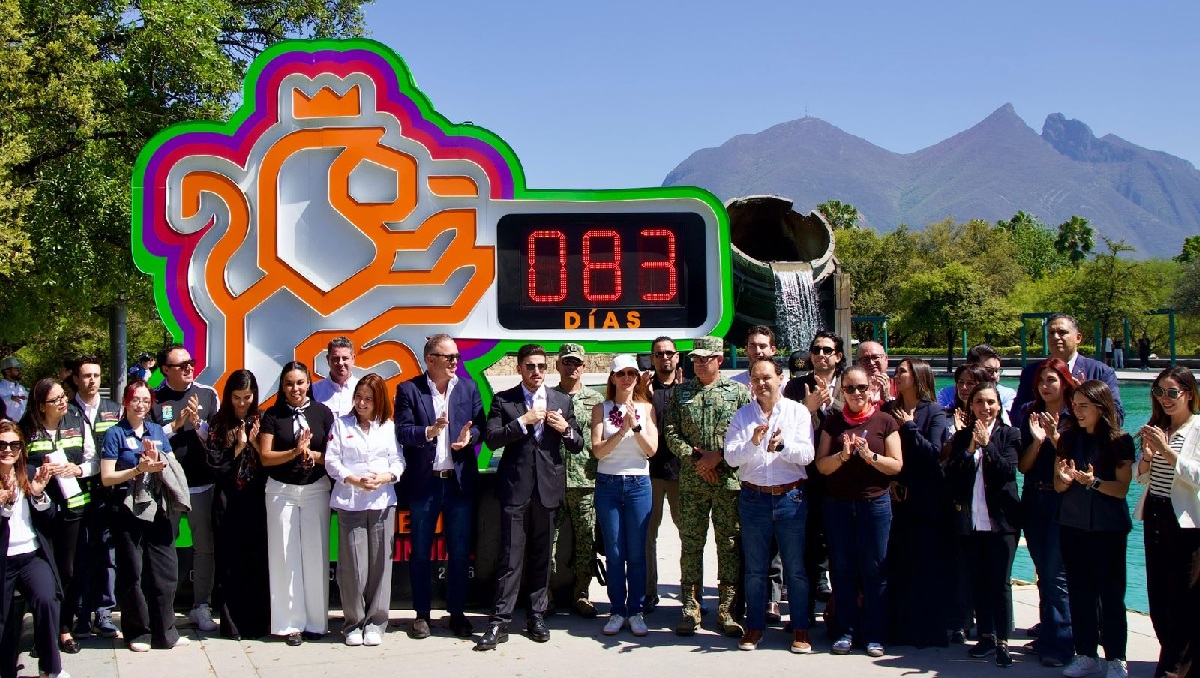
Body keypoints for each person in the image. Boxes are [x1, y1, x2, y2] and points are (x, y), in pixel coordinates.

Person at [477, 344, 583, 651]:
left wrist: (565, 430)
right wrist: (523, 421)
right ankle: (500, 621)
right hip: (516, 488)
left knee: (541, 557)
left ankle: (536, 616)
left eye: (540, 366)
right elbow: (491, 438)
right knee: (510, 557)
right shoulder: (504, 400)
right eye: (529, 366)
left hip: (548, 489)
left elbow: (577, 444)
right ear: (519, 369)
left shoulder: (561, 399)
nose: (535, 372)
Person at [394, 334, 484, 640]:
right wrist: (429, 432)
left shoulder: (468, 388)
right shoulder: (409, 390)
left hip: (458, 484)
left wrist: (471, 439)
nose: (456, 362)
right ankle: (421, 615)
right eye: (450, 357)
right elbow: (403, 431)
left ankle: (457, 614)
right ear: (431, 360)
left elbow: (481, 425)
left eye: (457, 356)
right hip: (424, 484)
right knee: (420, 552)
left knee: (459, 554)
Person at [725, 356, 815, 653]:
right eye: (756, 379)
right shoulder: (742, 416)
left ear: (781, 379)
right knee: (754, 568)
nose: (762, 383)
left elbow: (807, 455)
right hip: (754, 498)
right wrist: (753, 442)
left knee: (796, 568)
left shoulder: (798, 412)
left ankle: (800, 627)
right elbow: (731, 458)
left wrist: (783, 446)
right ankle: (754, 628)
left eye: (767, 377)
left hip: (791, 498)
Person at [663, 335, 750, 638]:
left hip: (728, 482)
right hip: (692, 481)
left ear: (719, 360)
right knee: (691, 543)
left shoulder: (739, 393)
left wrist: (720, 459)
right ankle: (690, 606)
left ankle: (726, 609)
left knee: (727, 544)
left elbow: (748, 435)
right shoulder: (681, 392)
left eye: (706, 358)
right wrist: (697, 459)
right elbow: (671, 432)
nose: (699, 363)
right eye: (696, 358)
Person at [814, 364, 902, 658]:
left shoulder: (885, 421)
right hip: (838, 504)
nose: (856, 393)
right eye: (849, 388)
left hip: (874, 504)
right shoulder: (833, 423)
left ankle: (875, 634)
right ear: (842, 391)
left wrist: (870, 456)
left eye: (861, 388)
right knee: (842, 569)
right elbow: (821, 466)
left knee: (875, 570)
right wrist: (843, 455)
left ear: (871, 389)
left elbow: (896, 465)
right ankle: (844, 631)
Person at [101, 381, 191, 652]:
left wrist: (158, 462)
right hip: (127, 509)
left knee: (166, 570)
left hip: (157, 508)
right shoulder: (115, 434)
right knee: (133, 572)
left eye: (145, 399)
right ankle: (137, 631)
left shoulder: (155, 431)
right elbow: (107, 478)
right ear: (126, 402)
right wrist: (138, 469)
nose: (140, 404)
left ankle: (166, 631)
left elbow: (170, 465)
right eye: (135, 399)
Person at [1052, 380, 1134, 678]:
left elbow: (1122, 489)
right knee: (1079, 592)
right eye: (1075, 406)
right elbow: (1058, 485)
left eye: (1084, 406)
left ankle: (1116, 657)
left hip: (1107, 527)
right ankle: (1085, 652)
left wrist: (1094, 482)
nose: (1078, 411)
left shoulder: (1119, 440)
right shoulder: (1067, 438)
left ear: (1101, 407)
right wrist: (1063, 478)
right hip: (1073, 524)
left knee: (1111, 595)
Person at [944, 383, 1023, 668]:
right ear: (971, 406)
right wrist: (970, 448)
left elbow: (1007, 472)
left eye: (990, 402)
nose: (985, 407)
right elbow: (952, 476)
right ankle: (986, 635)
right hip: (972, 522)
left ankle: (1003, 640)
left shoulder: (1009, 435)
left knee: (999, 583)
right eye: (979, 402)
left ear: (999, 406)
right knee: (978, 580)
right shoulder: (964, 436)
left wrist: (988, 446)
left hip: (1002, 523)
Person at [257, 361, 335, 647]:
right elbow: (265, 456)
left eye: (300, 382)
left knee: (316, 555)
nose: (295, 389)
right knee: (284, 556)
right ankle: (290, 625)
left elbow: (334, 457)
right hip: (281, 491)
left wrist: (312, 455)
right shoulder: (272, 415)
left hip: (316, 489)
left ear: (308, 383)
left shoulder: (322, 413)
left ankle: (316, 623)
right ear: (282, 386)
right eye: (289, 383)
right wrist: (293, 452)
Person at [325, 373, 404, 647]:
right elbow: (331, 461)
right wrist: (354, 479)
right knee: (352, 567)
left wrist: (385, 477)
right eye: (358, 397)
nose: (361, 403)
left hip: (382, 503)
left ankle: (376, 622)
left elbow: (398, 461)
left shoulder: (388, 427)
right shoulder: (341, 423)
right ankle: (353, 623)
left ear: (378, 400)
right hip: (351, 502)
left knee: (380, 564)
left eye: (368, 399)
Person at [1134, 367, 1200, 678]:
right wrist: (1147, 457)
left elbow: (1197, 477)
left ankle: (1173, 669)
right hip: (1155, 516)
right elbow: (1140, 477)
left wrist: (1167, 452)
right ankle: (1173, 659)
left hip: (1185, 523)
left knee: (1184, 598)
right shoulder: (1156, 427)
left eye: (1172, 392)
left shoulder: (1197, 428)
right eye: (1159, 392)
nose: (1165, 399)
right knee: (1158, 596)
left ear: (1189, 393)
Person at [150, 343, 220, 632]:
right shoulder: (154, 398)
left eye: (190, 362)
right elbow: (149, 441)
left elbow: (217, 439)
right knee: (164, 549)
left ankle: (201, 606)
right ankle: (162, 608)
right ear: (165, 370)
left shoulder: (207, 394)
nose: (189, 367)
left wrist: (198, 424)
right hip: (168, 487)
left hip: (202, 486)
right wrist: (176, 426)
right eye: (181, 365)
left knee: (205, 549)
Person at [883, 358, 949, 648]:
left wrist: (909, 427)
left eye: (903, 372)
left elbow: (932, 453)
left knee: (925, 567)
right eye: (897, 372)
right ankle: (896, 628)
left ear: (919, 377)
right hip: (894, 498)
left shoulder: (933, 412)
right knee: (896, 565)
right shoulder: (887, 410)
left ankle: (927, 631)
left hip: (924, 499)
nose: (897, 376)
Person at [19, 377, 88, 654]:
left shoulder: (76, 420)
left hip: (72, 507)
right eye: (56, 399)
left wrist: (78, 470)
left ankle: (64, 627)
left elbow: (92, 459)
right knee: (44, 575)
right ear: (39, 405)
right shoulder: (27, 431)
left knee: (68, 571)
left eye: (64, 396)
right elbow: (16, 469)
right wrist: (36, 477)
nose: (63, 403)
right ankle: (42, 633)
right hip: (40, 512)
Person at [591, 354, 657, 637]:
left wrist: (637, 425)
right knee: (615, 552)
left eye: (632, 373)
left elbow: (650, 450)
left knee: (636, 552)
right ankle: (617, 610)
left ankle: (637, 610)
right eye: (621, 374)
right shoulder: (601, 409)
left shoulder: (647, 408)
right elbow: (598, 451)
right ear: (613, 378)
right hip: (608, 484)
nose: (627, 379)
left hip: (638, 484)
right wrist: (622, 429)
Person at [1017, 357, 1076, 667]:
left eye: (1052, 380)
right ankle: (1048, 635)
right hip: (1034, 496)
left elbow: (1077, 459)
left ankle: (1063, 644)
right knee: (1044, 574)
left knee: (1056, 575)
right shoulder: (1031, 414)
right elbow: (1023, 466)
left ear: (1065, 382)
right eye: (1041, 381)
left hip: (1062, 499)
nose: (1045, 386)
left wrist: (1055, 438)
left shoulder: (1074, 416)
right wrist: (1039, 442)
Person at [204, 369, 270, 640]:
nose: (242, 403)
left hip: (256, 500)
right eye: (237, 397)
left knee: (256, 561)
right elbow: (214, 465)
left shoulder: (263, 420)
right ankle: (232, 624)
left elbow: (270, 461)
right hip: (227, 501)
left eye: (247, 397)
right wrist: (239, 448)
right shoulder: (219, 422)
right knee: (229, 562)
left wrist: (255, 443)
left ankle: (258, 623)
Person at [782, 330, 844, 616]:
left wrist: (830, 405)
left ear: (838, 356)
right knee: (806, 534)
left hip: (840, 471)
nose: (821, 354)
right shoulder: (796, 387)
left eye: (827, 350)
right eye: (816, 349)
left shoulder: (849, 385)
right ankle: (803, 610)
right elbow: (782, 426)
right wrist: (806, 409)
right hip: (804, 472)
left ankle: (840, 608)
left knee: (836, 536)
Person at [728, 325, 784, 622]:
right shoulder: (736, 386)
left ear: (773, 350)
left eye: (763, 345)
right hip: (744, 477)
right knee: (746, 545)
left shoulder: (786, 392)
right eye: (752, 345)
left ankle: (772, 600)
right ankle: (743, 603)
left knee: (775, 546)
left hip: (779, 478)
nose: (757, 350)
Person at [0, 421, 64, 678]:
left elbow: (49, 520)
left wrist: (38, 495)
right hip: (3, 559)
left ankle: (51, 668)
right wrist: (4, 507)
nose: (8, 450)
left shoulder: (28, 472)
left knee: (47, 599)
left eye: (14, 444)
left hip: (31, 556)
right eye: (2, 444)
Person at [549, 343, 604, 619]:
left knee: (586, 540)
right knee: (548, 540)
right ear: (557, 365)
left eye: (576, 363)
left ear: (584, 367)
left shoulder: (596, 400)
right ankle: (544, 594)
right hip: (553, 481)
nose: (572, 367)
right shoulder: (545, 398)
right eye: (566, 362)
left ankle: (582, 593)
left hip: (585, 481)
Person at [70, 356, 122, 640]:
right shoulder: (66, 411)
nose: (92, 380)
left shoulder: (114, 410)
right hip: (75, 496)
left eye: (97, 375)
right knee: (80, 557)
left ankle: (104, 613)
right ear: (76, 379)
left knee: (106, 554)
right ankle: (81, 615)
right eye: (87, 375)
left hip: (107, 496)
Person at [1011, 314, 1123, 424]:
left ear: (1078, 338)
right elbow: (1015, 415)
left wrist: (1086, 398)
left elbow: (1117, 417)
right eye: (1051, 333)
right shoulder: (1031, 372)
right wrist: (1045, 404)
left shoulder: (1101, 372)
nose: (1055, 337)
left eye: (1062, 332)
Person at [644, 336, 682, 613]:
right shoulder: (643, 391)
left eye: (669, 352)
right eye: (659, 354)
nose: (664, 357)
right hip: (651, 474)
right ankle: (649, 592)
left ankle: (690, 596)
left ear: (677, 357)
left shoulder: (687, 390)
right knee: (648, 536)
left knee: (689, 536)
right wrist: (643, 397)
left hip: (682, 474)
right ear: (653, 358)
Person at [935, 345, 1015, 425]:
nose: (994, 375)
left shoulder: (1007, 394)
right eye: (989, 370)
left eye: (997, 370)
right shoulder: (946, 394)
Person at [311, 336, 358, 418]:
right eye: (335, 358)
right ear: (328, 359)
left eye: (345, 358)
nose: (340, 363)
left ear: (353, 359)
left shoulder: (364, 390)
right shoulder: (314, 391)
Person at [944, 363, 992, 439]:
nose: (964, 387)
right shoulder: (947, 414)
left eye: (970, 383)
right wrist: (958, 433)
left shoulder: (991, 414)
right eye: (961, 382)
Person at [0, 359, 28, 423]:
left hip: (24, 427)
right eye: (17, 370)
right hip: (6, 428)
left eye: (20, 369)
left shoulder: (22, 388)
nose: (20, 372)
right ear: (7, 372)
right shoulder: (1, 388)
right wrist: (10, 398)